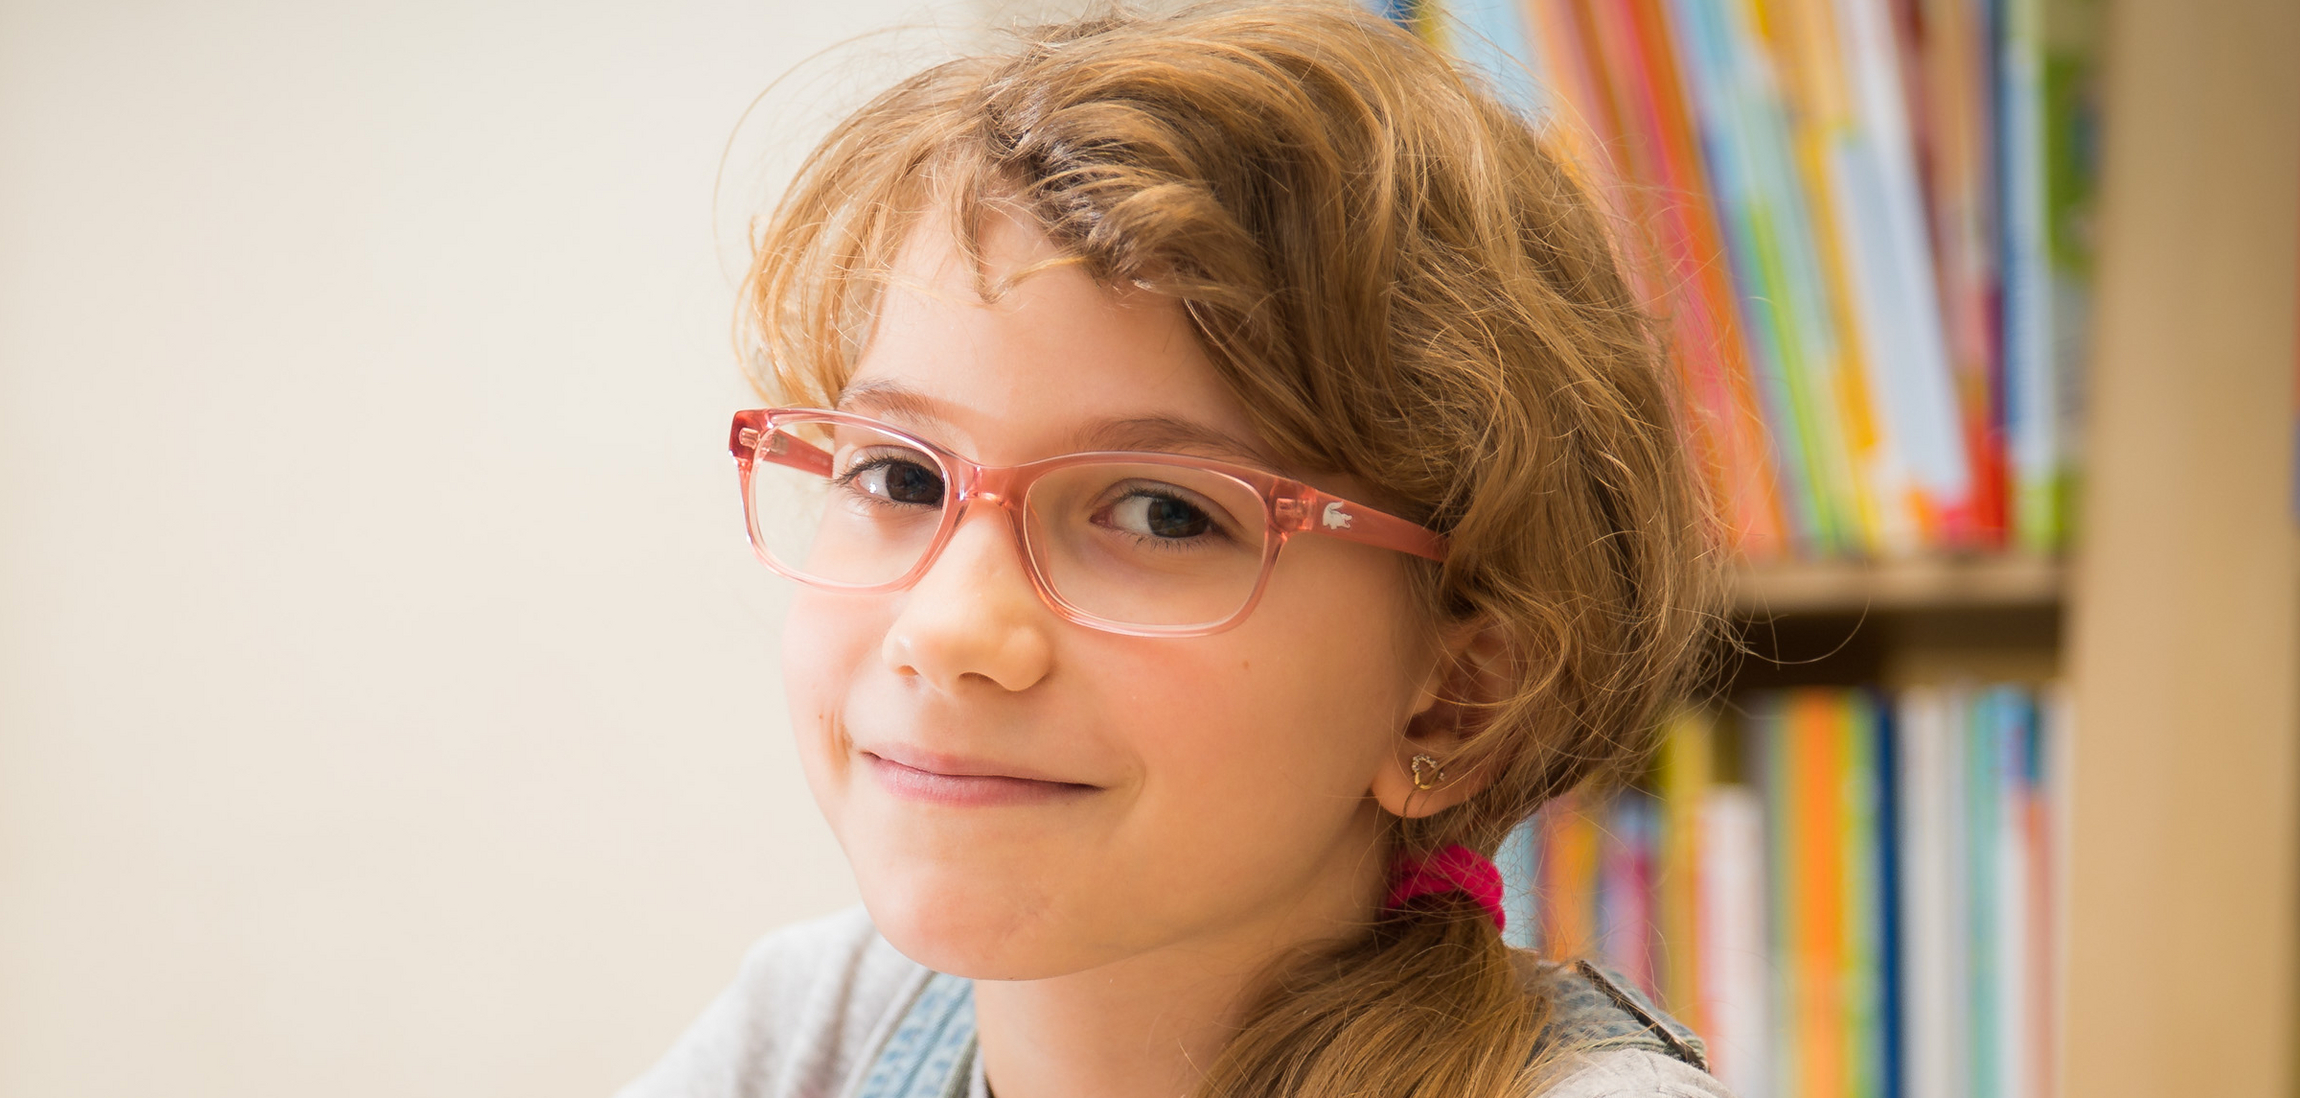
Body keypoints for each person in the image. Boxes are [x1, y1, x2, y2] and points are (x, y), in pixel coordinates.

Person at [624, 3, 1727, 1097]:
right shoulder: (819, 1028)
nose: (949, 630)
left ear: (1454, 702)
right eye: (901, 476)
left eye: (1162, 513)